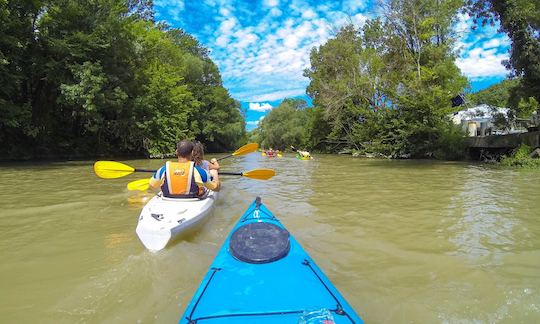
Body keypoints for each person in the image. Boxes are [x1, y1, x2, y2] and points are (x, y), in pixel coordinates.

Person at [149, 140, 220, 198]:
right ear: (192, 153)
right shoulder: (199, 171)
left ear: (176, 152)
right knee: (213, 172)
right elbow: (216, 188)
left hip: (168, 199)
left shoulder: (163, 169)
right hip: (192, 199)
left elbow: (152, 186)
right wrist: (216, 177)